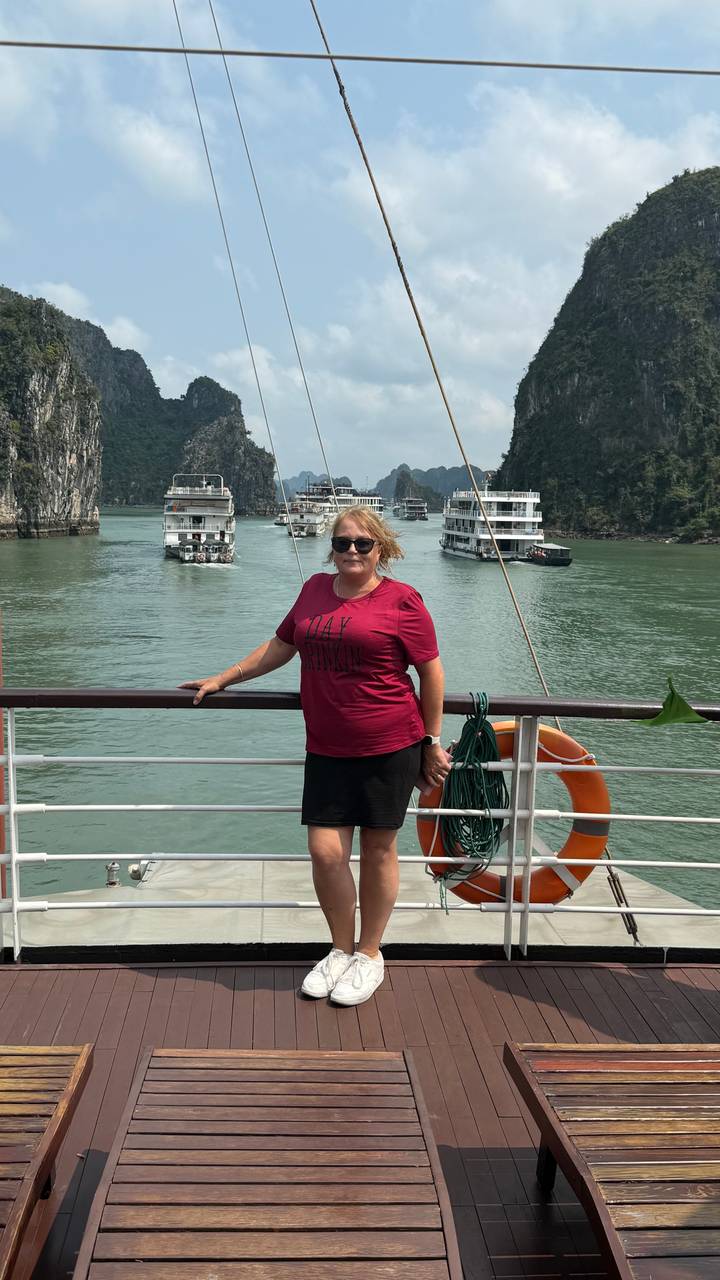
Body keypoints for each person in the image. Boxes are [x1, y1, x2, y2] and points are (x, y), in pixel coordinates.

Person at [180, 505, 449, 1006]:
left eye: (362, 544)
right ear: (332, 547)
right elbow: (282, 645)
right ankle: (340, 950)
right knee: (325, 853)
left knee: (377, 850)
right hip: (326, 745)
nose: (351, 551)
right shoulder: (314, 591)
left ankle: (370, 954)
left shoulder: (402, 601)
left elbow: (431, 673)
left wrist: (431, 741)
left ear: (381, 550)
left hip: (389, 744)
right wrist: (225, 676)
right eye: (343, 542)